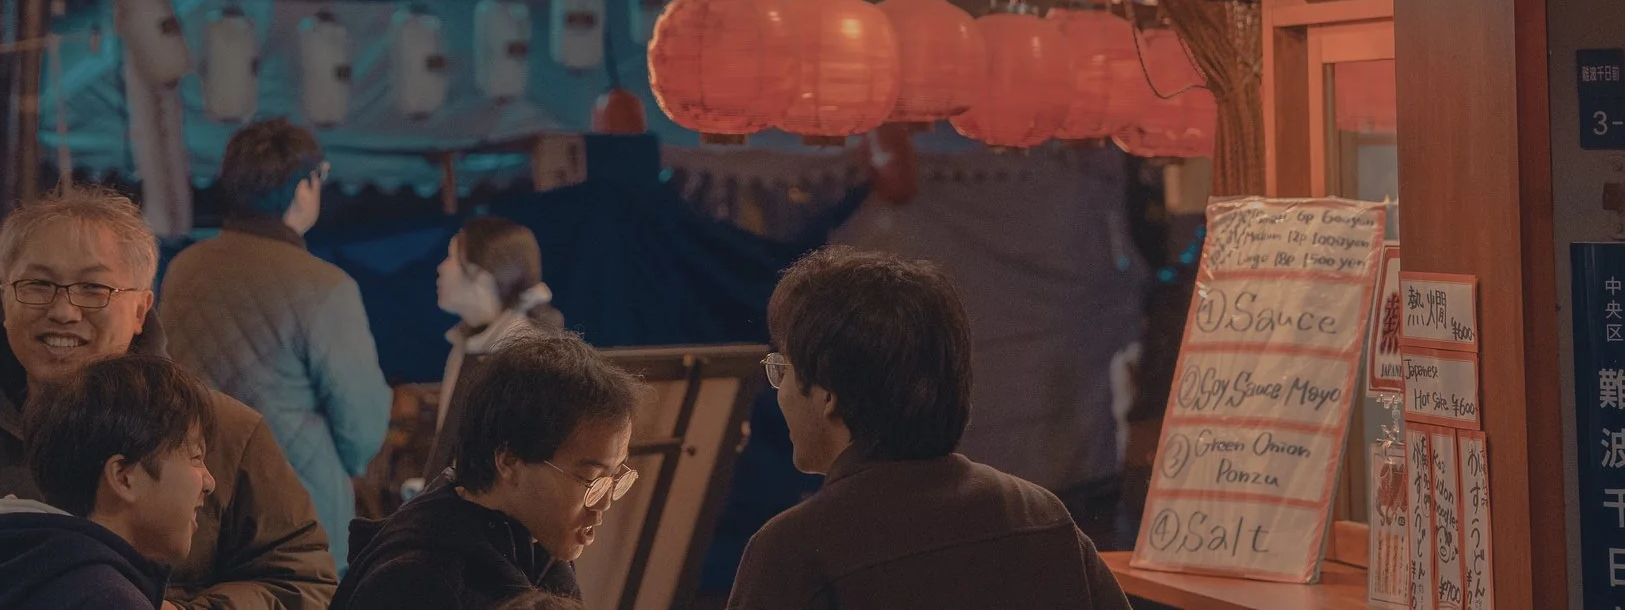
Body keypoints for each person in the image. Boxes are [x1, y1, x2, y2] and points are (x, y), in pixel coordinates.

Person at [0, 184, 336, 610]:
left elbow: (306, 584)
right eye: (38, 286)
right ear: (4, 294)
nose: (64, 312)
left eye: (94, 290)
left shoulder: (223, 432)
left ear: (141, 310)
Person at [726, 246, 1134, 610]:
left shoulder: (793, 552)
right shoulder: (1040, 515)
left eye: (782, 370)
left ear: (827, 394)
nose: (778, 392)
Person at [162, 121, 393, 568]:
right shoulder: (325, 287)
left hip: (198, 502)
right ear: (304, 186)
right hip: (299, 511)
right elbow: (362, 426)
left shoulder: (183, 270)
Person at [337, 332, 640, 610]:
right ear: (509, 462)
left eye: (614, 478)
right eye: (590, 478)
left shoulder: (539, 551)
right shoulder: (415, 582)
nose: (603, 504)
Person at [0, 355, 218, 610]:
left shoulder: (12, 573)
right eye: (195, 457)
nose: (209, 482)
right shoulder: (105, 599)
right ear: (123, 477)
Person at [426, 217, 563, 479]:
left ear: (485, 276)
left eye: (453, 258)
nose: (442, 269)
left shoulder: (526, 350)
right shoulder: (468, 344)